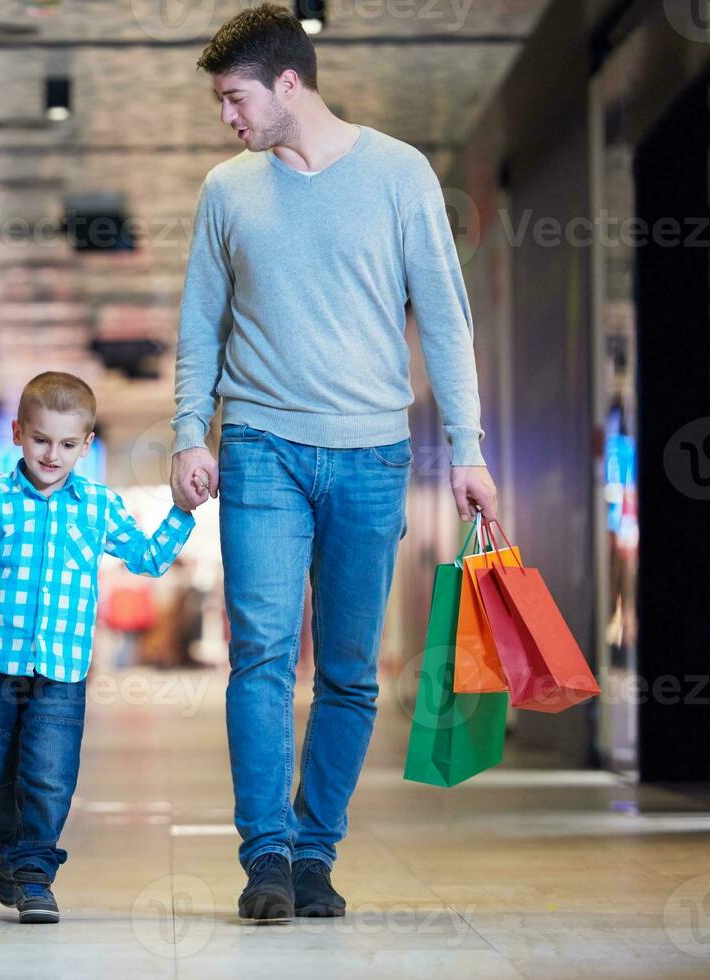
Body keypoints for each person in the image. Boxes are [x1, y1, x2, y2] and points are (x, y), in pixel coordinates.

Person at [168, 6, 500, 922]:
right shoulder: (226, 190)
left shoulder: (399, 174)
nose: (225, 118)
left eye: (234, 98)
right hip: (261, 447)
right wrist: (188, 431)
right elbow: (200, 323)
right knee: (262, 655)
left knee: (350, 671)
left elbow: (444, 320)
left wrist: (467, 452)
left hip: (371, 455)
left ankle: (315, 852)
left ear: (287, 83)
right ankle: (265, 855)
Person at [0, 372, 195, 923]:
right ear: (17, 433)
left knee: (49, 777)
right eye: (40, 440)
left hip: (62, 674)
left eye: (66, 444)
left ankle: (35, 874)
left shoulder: (99, 506)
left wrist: (181, 511)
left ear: (86, 446)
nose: (51, 454)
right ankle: (9, 846)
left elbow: (147, 559)